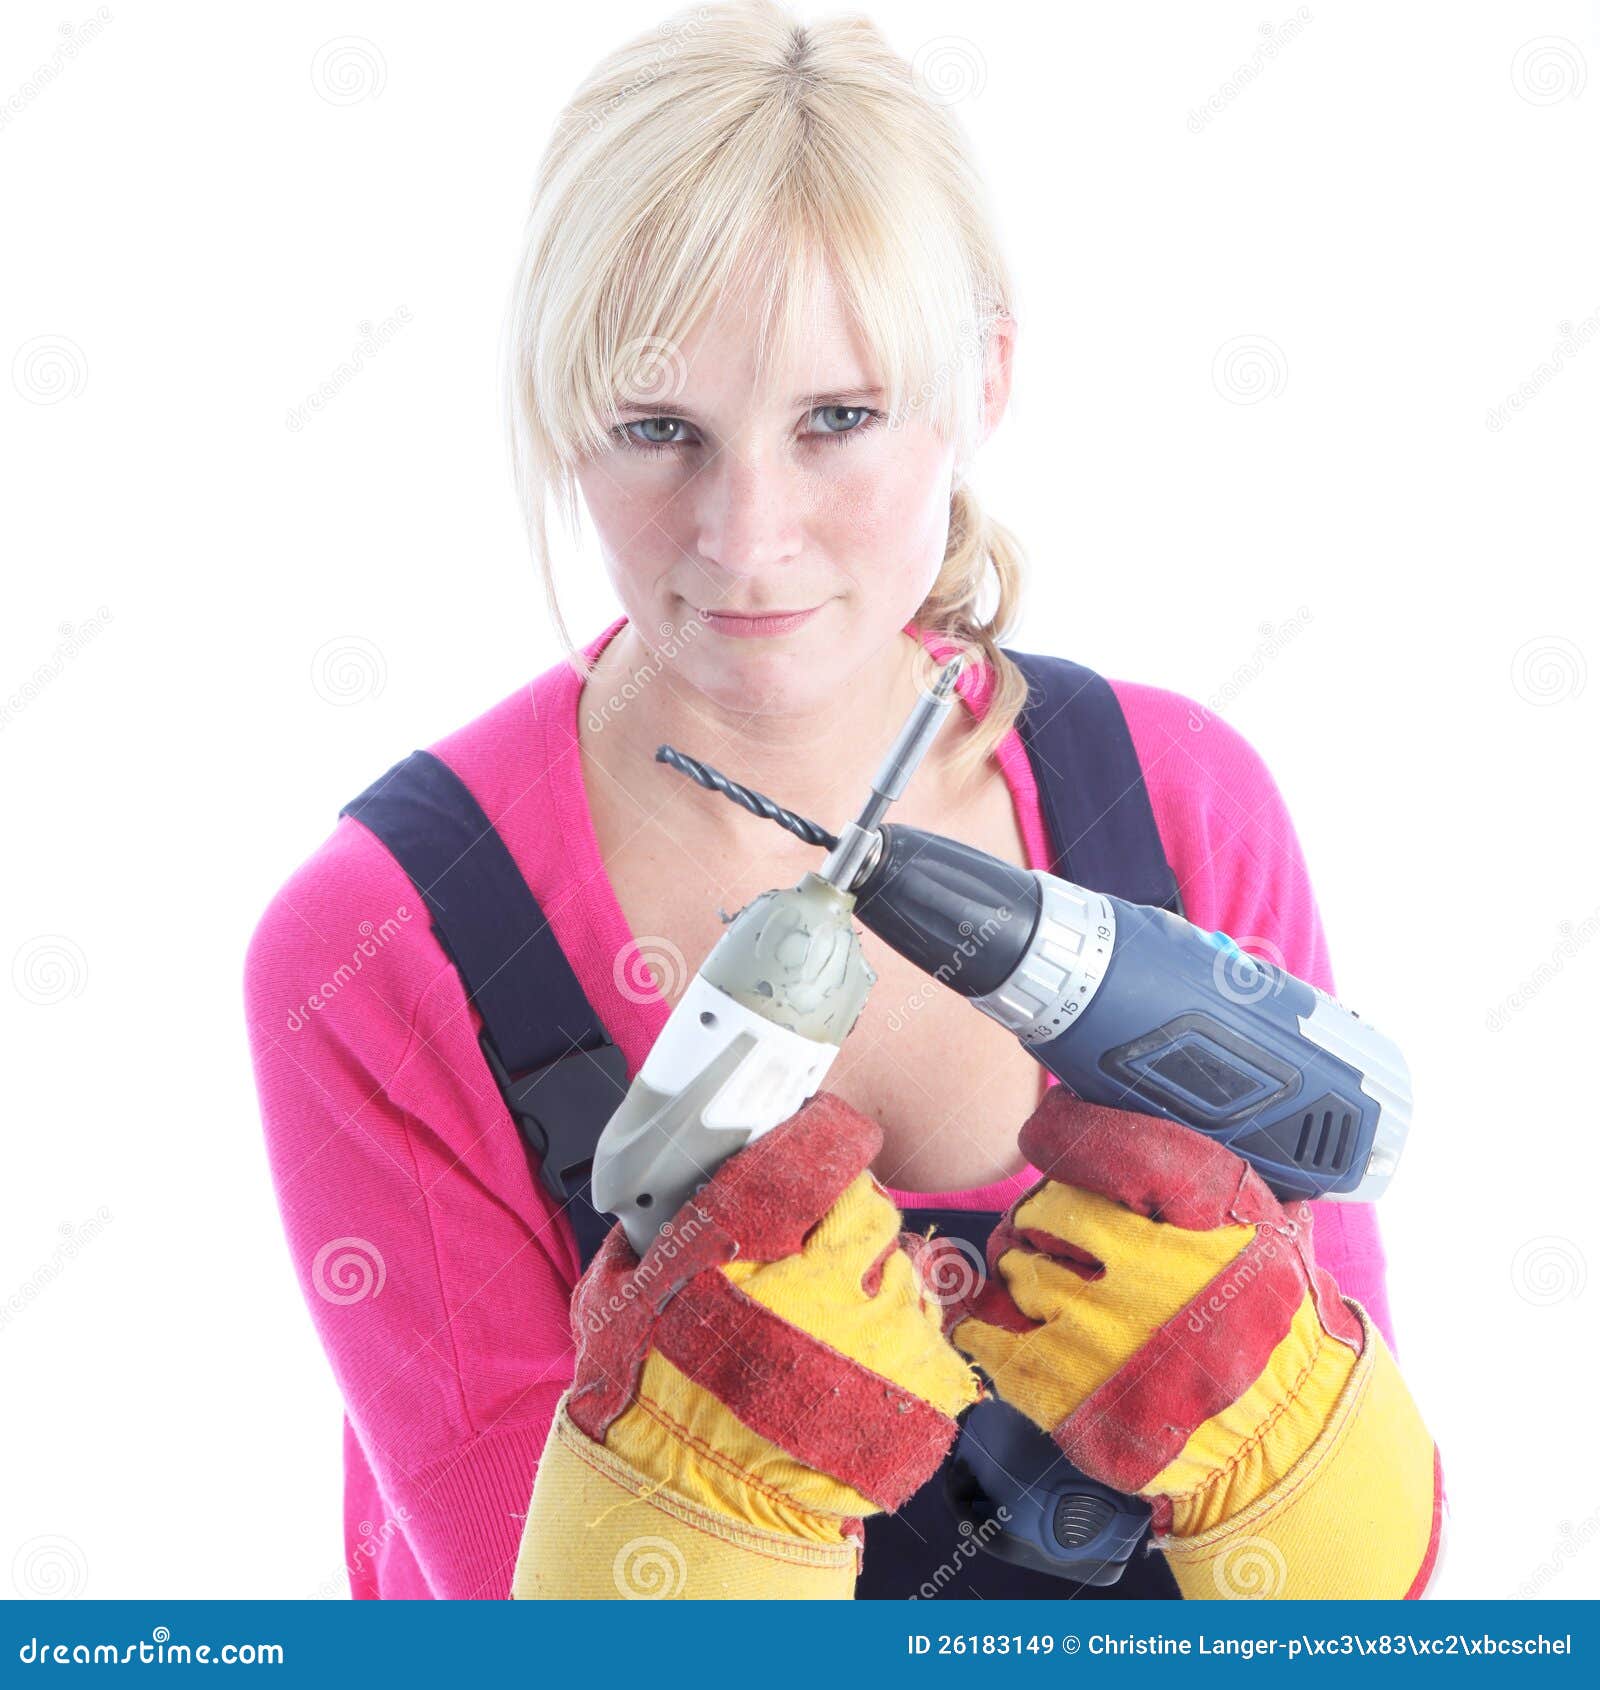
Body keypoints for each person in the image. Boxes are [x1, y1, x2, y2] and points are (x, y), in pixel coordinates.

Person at [242, 0, 1440, 1600]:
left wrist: (1286, 1440)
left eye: (838, 420)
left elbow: (1374, 1613)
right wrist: (706, 1456)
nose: (747, 537)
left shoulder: (1184, 812)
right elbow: (522, 1620)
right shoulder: (382, 943)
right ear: (556, 417)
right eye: (657, 429)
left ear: (984, 381)